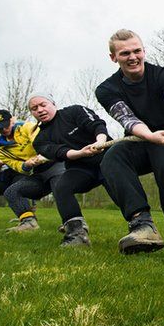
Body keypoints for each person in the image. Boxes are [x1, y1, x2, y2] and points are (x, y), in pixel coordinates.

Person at [95, 29, 164, 261]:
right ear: (114, 58)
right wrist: (150, 135)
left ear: (144, 51)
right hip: (139, 139)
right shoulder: (106, 89)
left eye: (137, 51)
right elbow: (127, 119)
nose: (133, 57)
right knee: (112, 158)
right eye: (125, 53)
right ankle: (142, 224)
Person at [29, 94, 113, 247]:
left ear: (53, 104)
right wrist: (81, 153)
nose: (40, 110)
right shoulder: (40, 140)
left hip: (108, 160)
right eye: (34, 108)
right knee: (62, 187)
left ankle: (140, 225)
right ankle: (77, 234)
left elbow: (97, 125)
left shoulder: (74, 111)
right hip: (80, 167)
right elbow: (60, 152)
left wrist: (100, 141)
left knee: (119, 193)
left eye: (43, 104)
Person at [0, 109, 66, 232]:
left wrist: (41, 155)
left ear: (11, 121)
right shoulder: (1, 151)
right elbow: (17, 166)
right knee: (11, 192)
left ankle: (71, 222)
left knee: (60, 188)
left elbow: (39, 141)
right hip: (37, 173)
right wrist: (26, 165)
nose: (4, 130)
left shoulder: (27, 127)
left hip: (54, 164)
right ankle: (29, 223)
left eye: (5, 126)